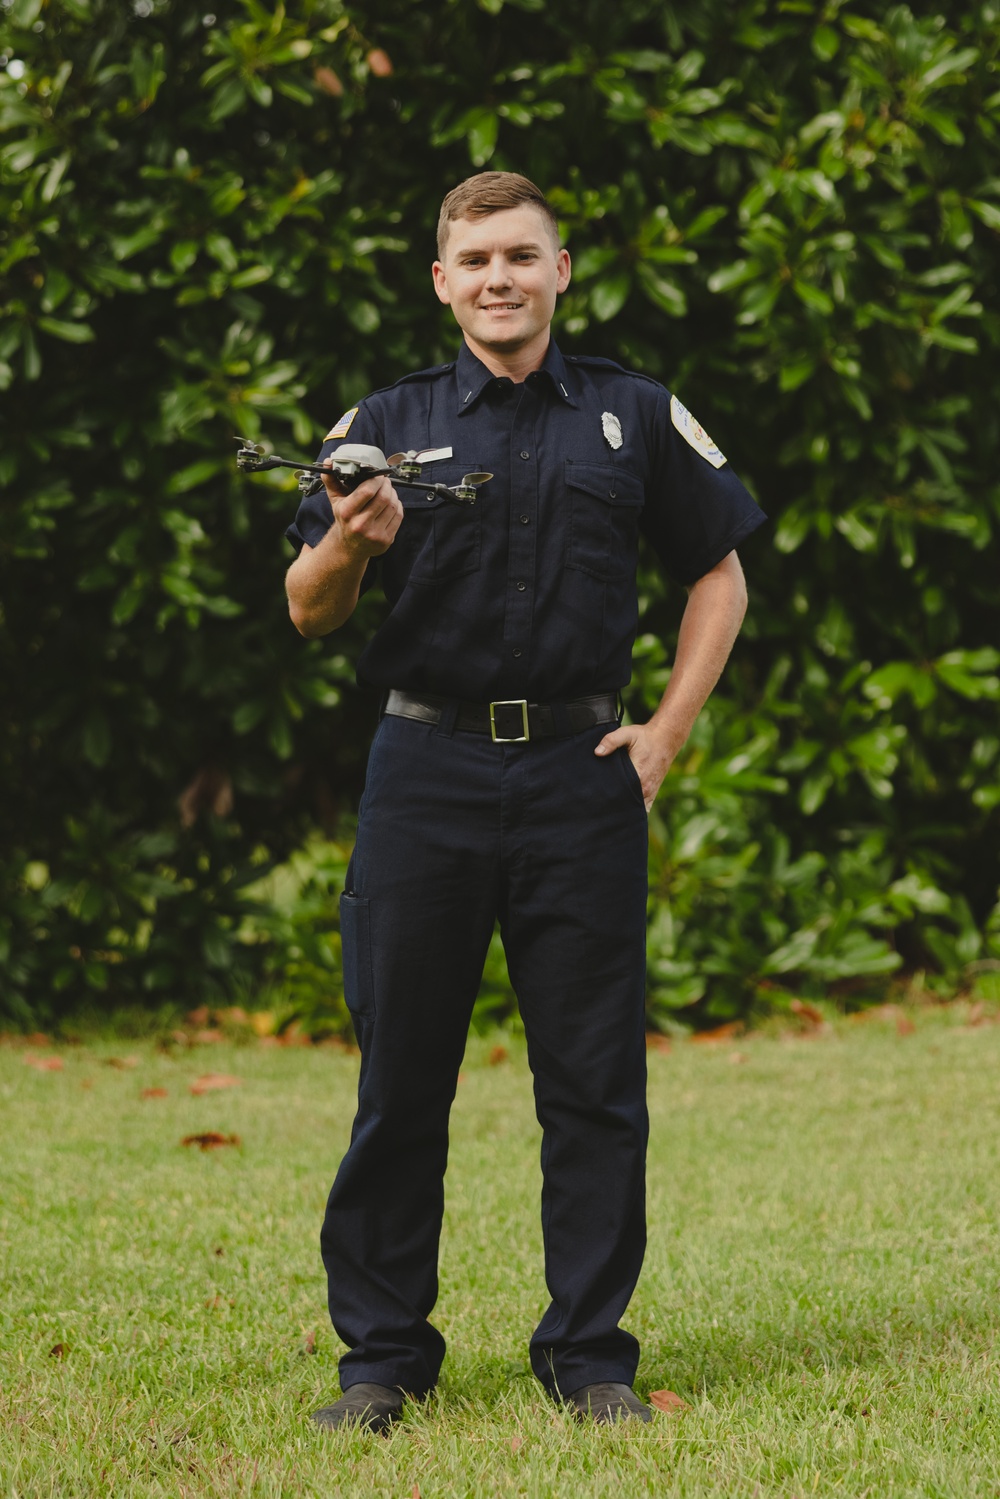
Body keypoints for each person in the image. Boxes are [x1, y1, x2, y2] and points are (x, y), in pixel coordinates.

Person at [284, 171, 766, 1431]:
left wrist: (662, 733)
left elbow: (719, 575)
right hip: (424, 772)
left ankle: (588, 1356)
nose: (499, 276)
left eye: (521, 254)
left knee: (594, 1080)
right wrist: (349, 541)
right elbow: (305, 605)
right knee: (402, 1075)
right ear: (442, 283)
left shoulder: (634, 416)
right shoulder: (378, 426)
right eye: (475, 259)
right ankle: (382, 1360)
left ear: (560, 271)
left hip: (577, 775)